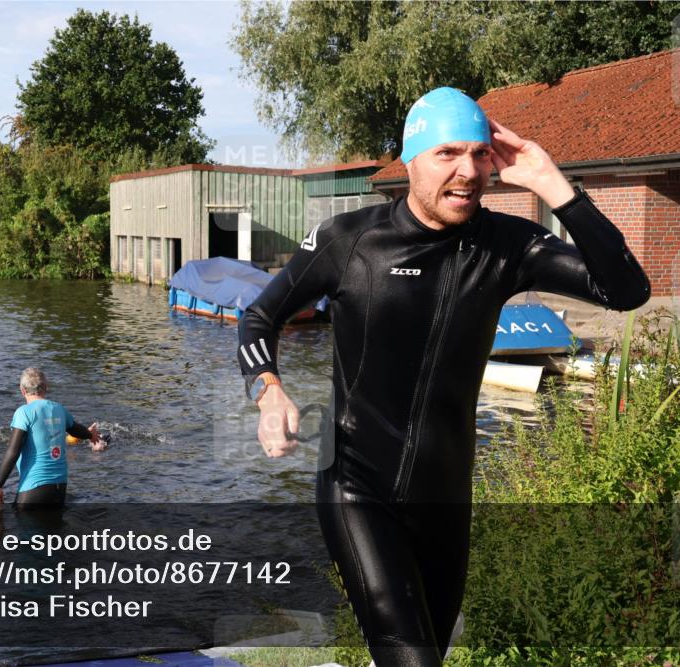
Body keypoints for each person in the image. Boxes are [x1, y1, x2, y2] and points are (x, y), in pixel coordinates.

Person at [237, 87, 650, 666]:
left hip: (447, 496)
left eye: (480, 154)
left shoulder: (507, 245)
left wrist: (555, 186)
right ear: (411, 159)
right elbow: (260, 316)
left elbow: (627, 290)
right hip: (358, 485)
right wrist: (269, 390)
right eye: (448, 153)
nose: (468, 171)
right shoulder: (348, 241)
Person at [0, 368, 105, 508]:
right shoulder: (59, 409)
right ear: (46, 387)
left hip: (33, 488)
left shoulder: (24, 413)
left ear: (22, 390)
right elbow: (76, 430)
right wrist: (91, 435)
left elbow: (13, 451)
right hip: (59, 488)